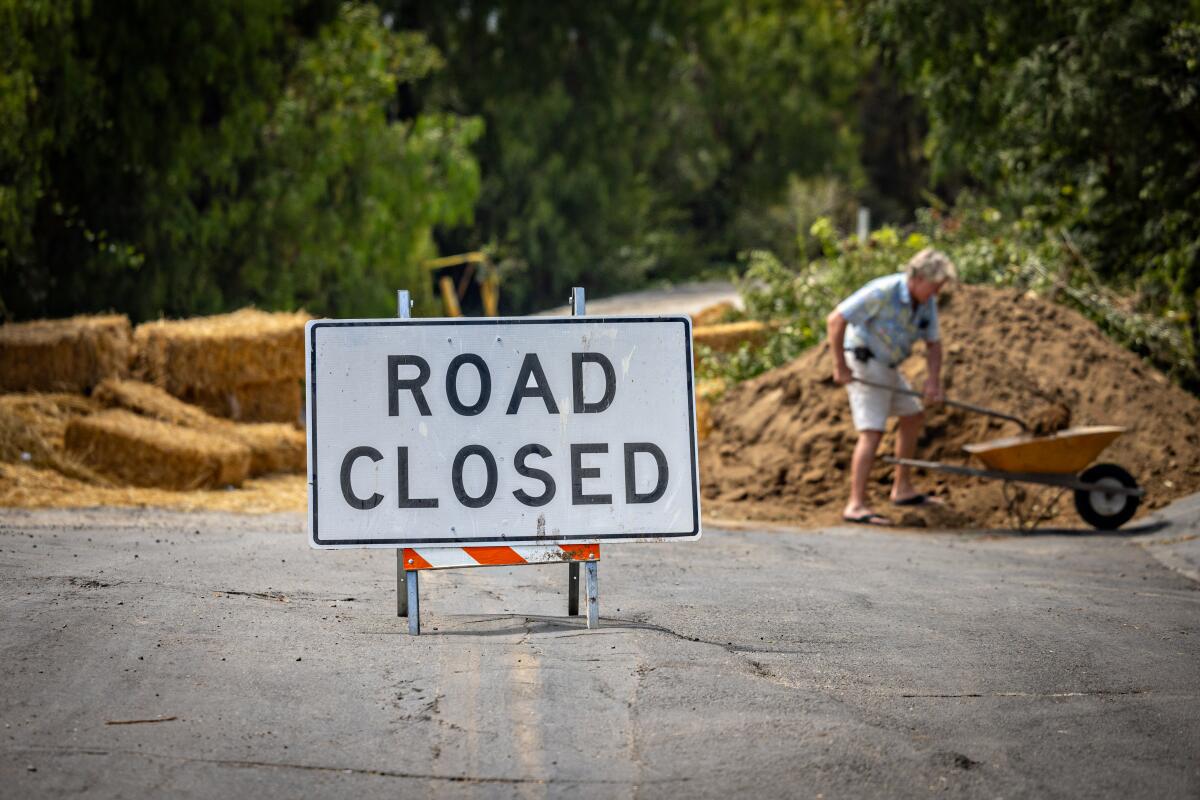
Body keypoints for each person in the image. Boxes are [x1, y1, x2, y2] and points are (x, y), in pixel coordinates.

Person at [825, 248, 957, 525]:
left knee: (913, 416)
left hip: (888, 367)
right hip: (864, 361)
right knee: (872, 431)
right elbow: (836, 319)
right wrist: (840, 365)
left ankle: (902, 489)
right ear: (918, 278)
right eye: (934, 286)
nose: (936, 293)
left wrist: (933, 381)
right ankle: (856, 504)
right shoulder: (883, 291)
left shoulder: (926, 302)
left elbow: (934, 344)